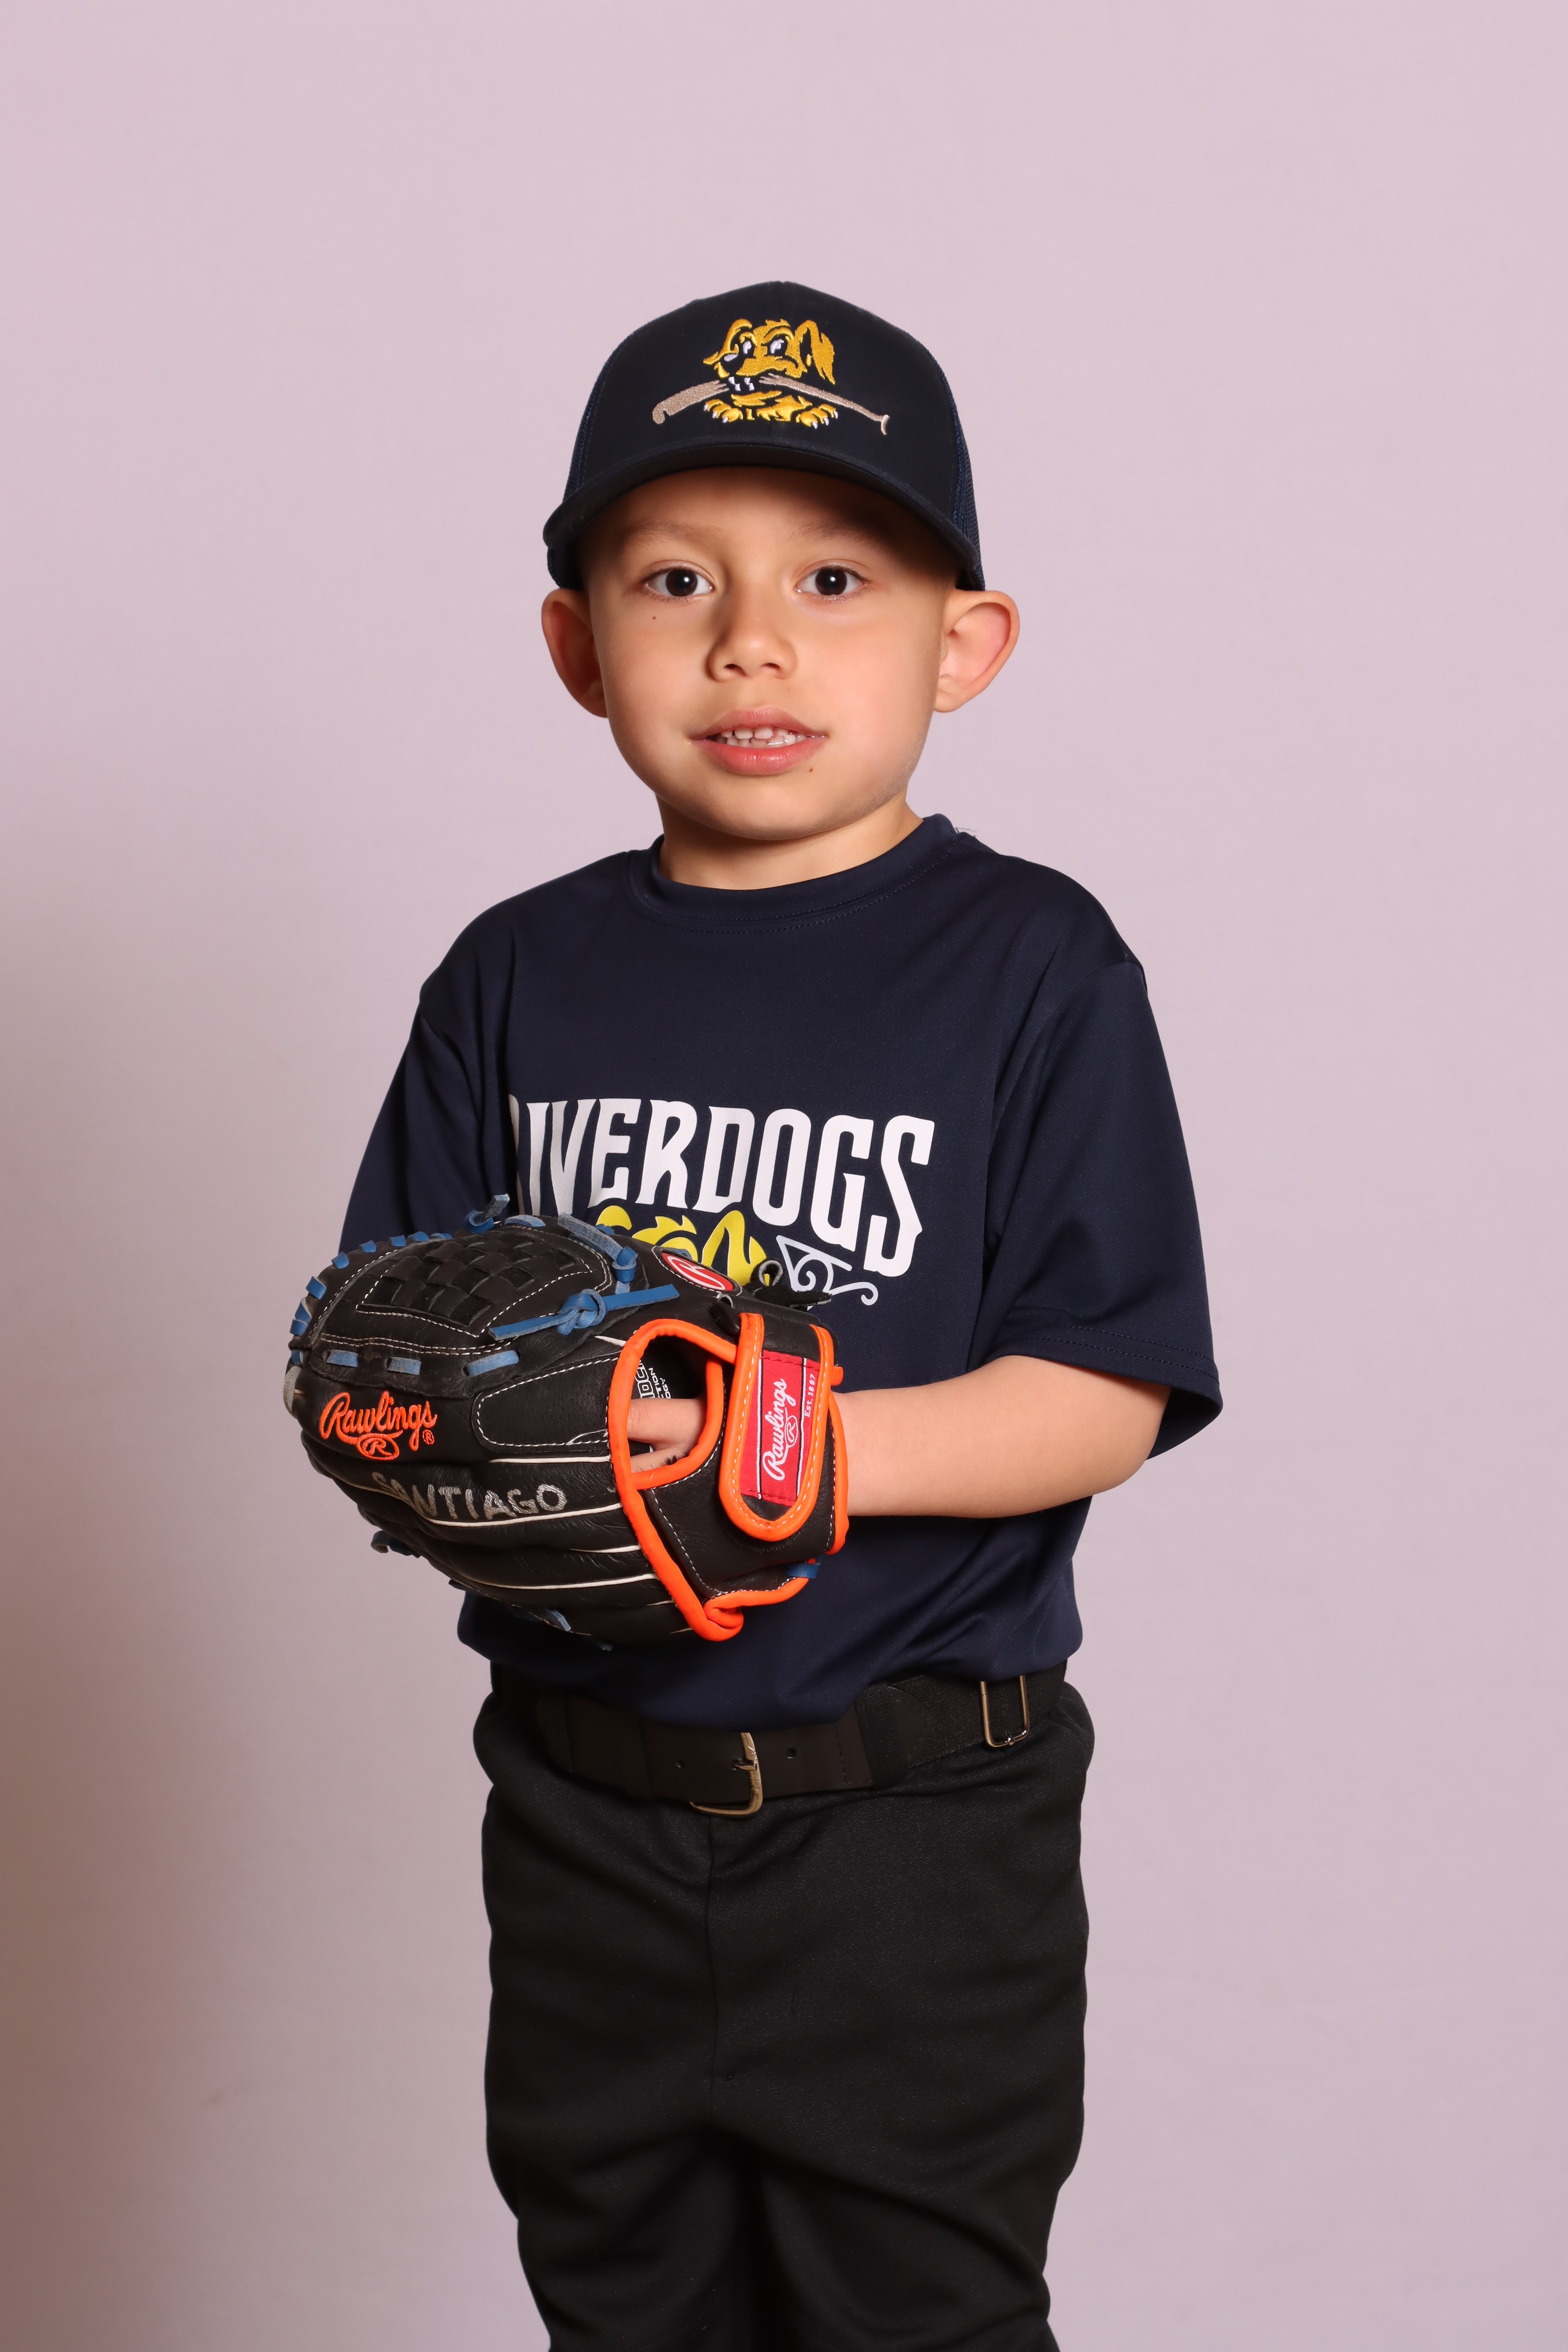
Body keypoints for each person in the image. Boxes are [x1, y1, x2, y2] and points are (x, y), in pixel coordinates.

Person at [342, 280, 1221, 2350]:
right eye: (675, 580)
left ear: (962, 644)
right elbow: (388, 1349)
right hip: (583, 1809)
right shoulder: (511, 976)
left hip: (913, 1827)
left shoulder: (1033, 966)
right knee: (621, 2305)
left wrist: (768, 1443)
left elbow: (1103, 1390)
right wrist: (435, 1438)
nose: (751, 641)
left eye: (835, 578)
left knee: (913, 2319)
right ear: (578, 646)